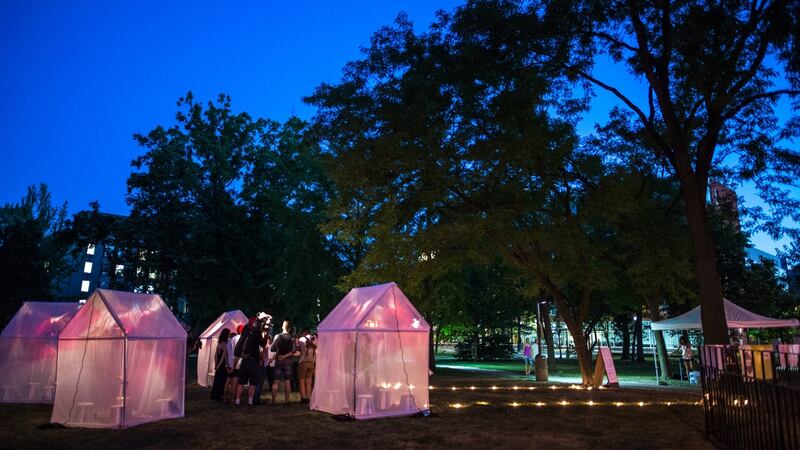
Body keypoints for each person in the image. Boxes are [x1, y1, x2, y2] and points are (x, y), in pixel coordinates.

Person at [234, 317, 263, 407]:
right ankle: (250, 402)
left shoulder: (245, 331)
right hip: (253, 361)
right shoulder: (256, 333)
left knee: (241, 382)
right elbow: (262, 343)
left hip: (244, 360)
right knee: (252, 383)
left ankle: (237, 401)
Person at [271, 320, 299, 404]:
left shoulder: (278, 336)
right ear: (289, 328)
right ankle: (287, 401)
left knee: (276, 381)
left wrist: (281, 356)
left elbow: (272, 349)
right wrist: (285, 356)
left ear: (282, 327)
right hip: (288, 361)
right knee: (287, 381)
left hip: (279, 360)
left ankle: (273, 401)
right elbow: (293, 351)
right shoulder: (291, 338)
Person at [210, 328, 231, 401]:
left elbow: (216, 355)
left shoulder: (219, 344)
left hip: (218, 363)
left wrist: (216, 364)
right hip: (222, 364)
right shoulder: (225, 344)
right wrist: (221, 365)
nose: (229, 335)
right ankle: (219, 395)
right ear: (226, 334)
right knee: (221, 380)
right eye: (229, 333)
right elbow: (224, 356)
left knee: (217, 379)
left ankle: (215, 395)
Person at [298, 330, 317, 403]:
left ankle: (303, 397)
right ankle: (308, 396)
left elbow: (298, 348)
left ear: (304, 333)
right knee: (309, 380)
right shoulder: (315, 339)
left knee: (302, 380)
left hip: (303, 361)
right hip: (312, 362)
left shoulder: (302, 339)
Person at [225, 326, 241, 404]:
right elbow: (237, 355)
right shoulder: (239, 339)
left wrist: (227, 364)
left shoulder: (230, 340)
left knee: (228, 382)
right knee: (235, 383)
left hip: (230, 364)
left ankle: (225, 398)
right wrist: (233, 367)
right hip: (236, 365)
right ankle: (232, 400)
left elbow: (226, 353)